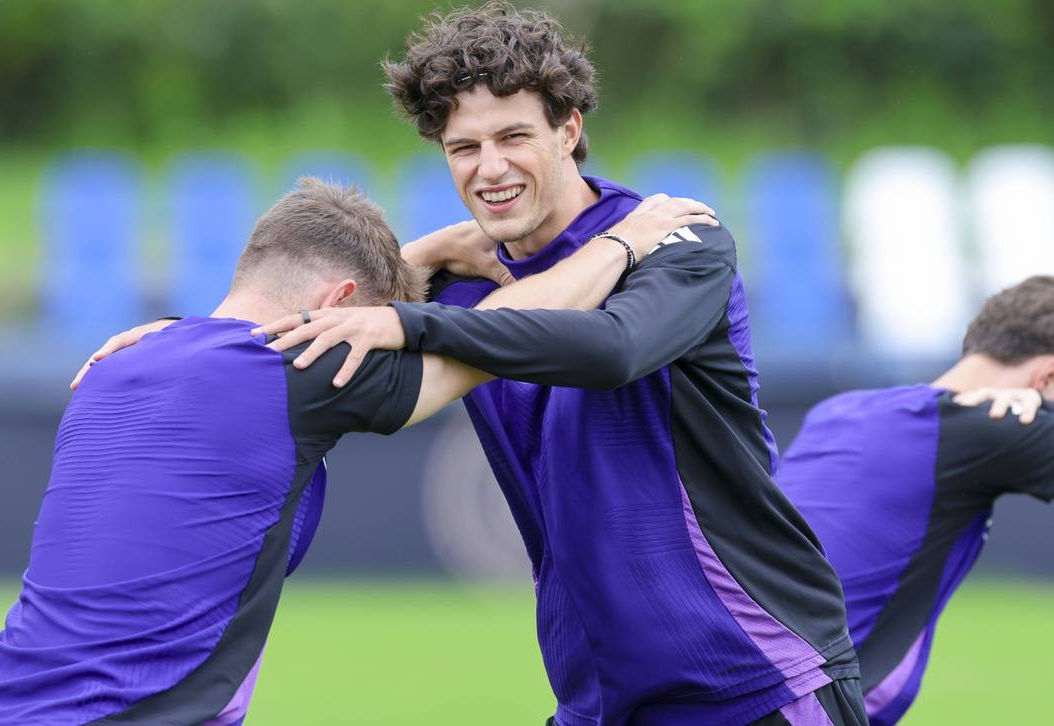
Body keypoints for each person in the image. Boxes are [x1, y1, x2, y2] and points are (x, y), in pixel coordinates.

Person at [250, 5, 869, 725]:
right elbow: (285, 338)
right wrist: (416, 259)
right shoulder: (457, 283)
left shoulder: (677, 241)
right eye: (463, 147)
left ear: (569, 130)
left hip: (754, 678)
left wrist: (409, 317)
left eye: (513, 136)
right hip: (597, 699)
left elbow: (613, 349)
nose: (490, 168)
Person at [0, 178, 702, 725]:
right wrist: (623, 243)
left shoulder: (123, 362)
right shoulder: (295, 370)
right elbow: (493, 337)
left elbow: (302, 306)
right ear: (339, 308)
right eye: (371, 324)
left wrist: (429, 252)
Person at [774, 276, 1054, 726]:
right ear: (1047, 375)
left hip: (730, 688)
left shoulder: (841, 409)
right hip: (808, 709)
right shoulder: (1004, 424)